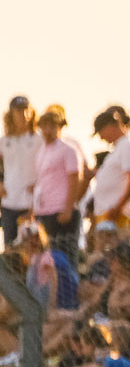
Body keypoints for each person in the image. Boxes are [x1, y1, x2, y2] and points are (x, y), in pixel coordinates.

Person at [31, 105, 87, 263]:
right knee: (47, 258)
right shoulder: (42, 150)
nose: (47, 130)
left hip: (62, 211)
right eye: (44, 126)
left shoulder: (68, 150)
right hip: (44, 212)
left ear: (60, 127)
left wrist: (68, 208)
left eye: (52, 126)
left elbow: (75, 178)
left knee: (65, 258)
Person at [87, 107, 130, 227]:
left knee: (113, 245)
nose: (101, 137)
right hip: (108, 212)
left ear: (110, 126)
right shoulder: (120, 146)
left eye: (101, 132)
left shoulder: (128, 144)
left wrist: (119, 206)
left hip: (117, 214)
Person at [2, 96, 42, 246]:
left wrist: (39, 184)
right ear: (11, 114)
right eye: (18, 111)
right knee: (9, 246)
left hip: (32, 203)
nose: (23, 115)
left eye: (26, 110)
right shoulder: (4, 141)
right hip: (9, 202)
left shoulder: (39, 139)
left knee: (31, 246)